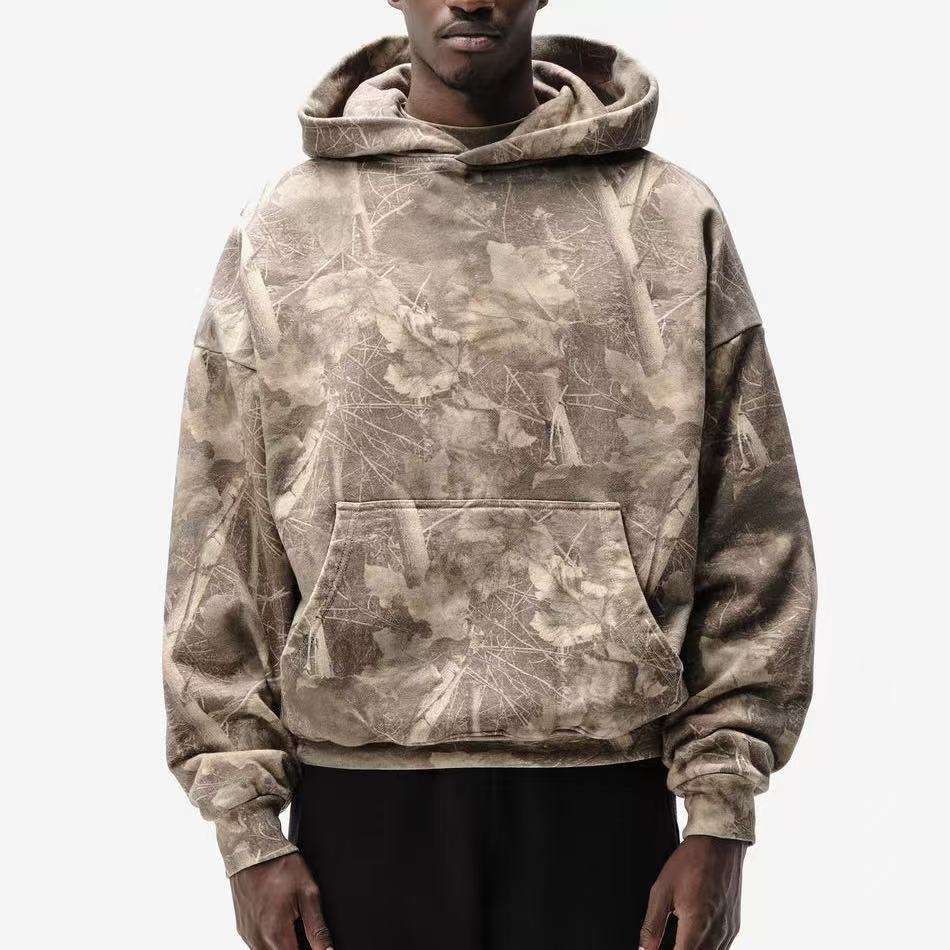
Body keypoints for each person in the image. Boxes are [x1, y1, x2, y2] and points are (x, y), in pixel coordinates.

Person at [162, 2, 817, 947]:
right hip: (358, 804)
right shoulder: (287, 229)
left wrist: (720, 817)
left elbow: (751, 521)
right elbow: (222, 530)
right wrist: (248, 833)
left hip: (608, 801)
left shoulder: (671, 219)